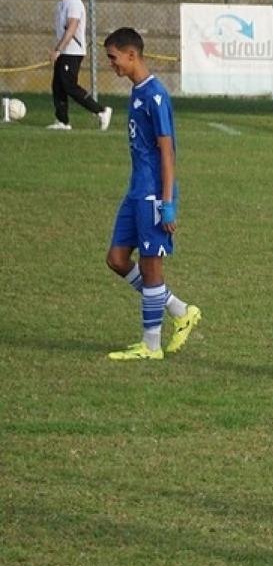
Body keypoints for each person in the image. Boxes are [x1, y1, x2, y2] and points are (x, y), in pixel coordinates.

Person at [100, 27, 202, 361]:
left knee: (151, 266)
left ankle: (151, 345)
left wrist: (168, 202)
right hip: (136, 191)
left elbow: (167, 151)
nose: (111, 65)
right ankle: (179, 309)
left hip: (154, 195)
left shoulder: (155, 95)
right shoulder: (137, 91)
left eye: (114, 58)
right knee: (116, 259)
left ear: (132, 55)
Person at [46, 0, 111, 132]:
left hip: (72, 52)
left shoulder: (73, 3)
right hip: (65, 52)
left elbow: (72, 28)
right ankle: (62, 121)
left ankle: (101, 111)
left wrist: (58, 50)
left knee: (69, 86)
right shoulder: (61, 4)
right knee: (58, 86)